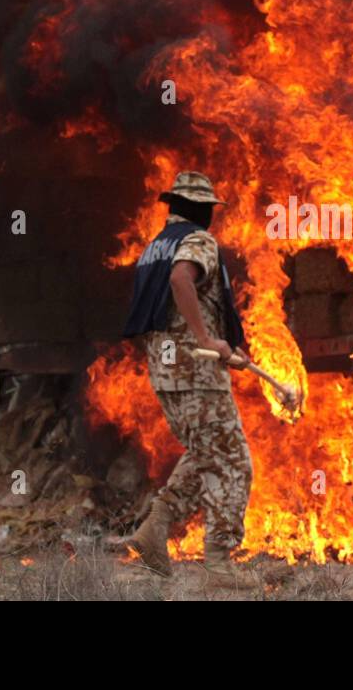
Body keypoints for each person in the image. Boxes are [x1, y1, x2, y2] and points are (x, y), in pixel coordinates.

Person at [121, 170, 255, 589]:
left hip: (167, 375)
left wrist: (224, 344)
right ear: (201, 211)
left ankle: (155, 529)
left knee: (204, 452)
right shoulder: (197, 241)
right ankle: (219, 565)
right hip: (196, 372)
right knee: (234, 462)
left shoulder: (153, 248)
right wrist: (206, 339)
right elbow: (183, 279)